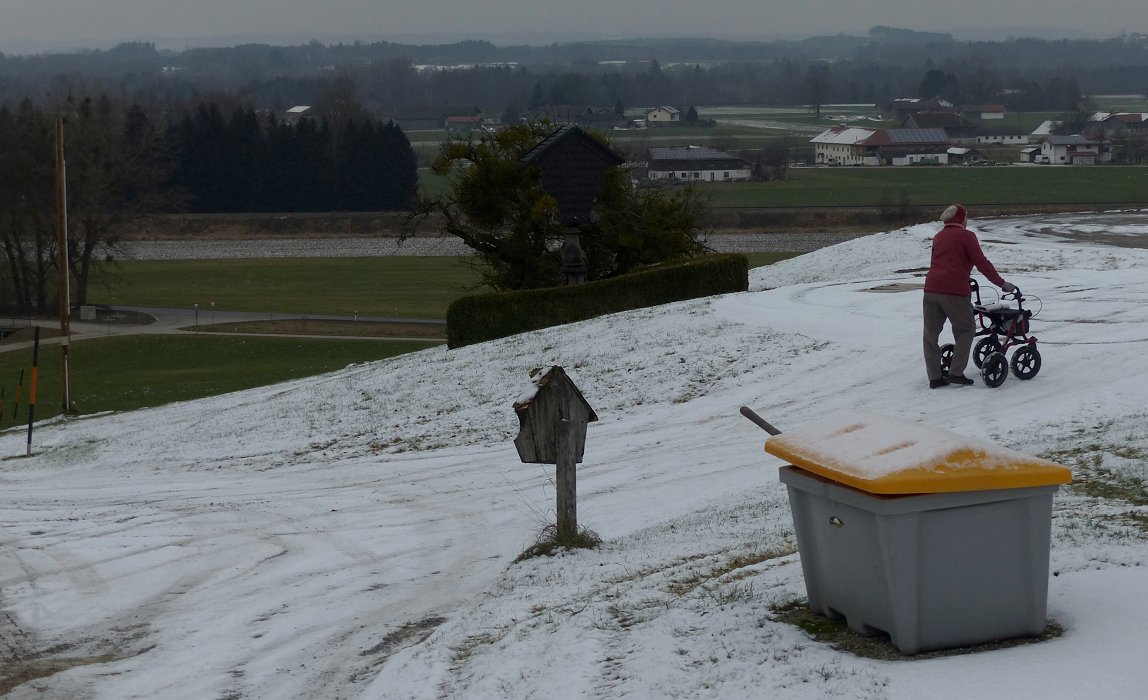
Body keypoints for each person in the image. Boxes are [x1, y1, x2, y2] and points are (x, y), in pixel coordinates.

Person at [923, 204, 1015, 389]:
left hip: (931, 289)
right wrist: (1002, 284)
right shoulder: (967, 236)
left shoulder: (938, 236)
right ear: (961, 219)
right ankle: (956, 372)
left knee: (930, 335)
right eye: (966, 217)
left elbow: (941, 262)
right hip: (954, 291)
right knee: (966, 330)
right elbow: (982, 263)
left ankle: (935, 377)